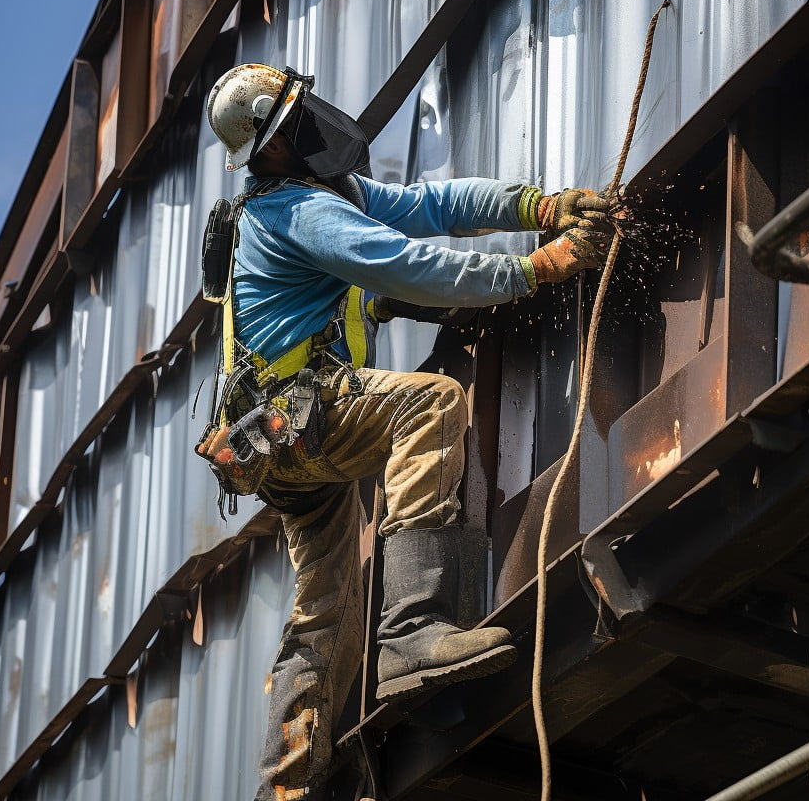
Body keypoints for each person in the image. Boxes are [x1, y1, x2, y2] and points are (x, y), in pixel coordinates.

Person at [202, 63, 621, 801]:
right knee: (428, 403)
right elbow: (407, 264)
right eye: (297, 122)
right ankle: (412, 633)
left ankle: (289, 786)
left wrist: (540, 205)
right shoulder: (299, 212)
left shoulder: (328, 196)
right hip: (298, 421)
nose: (317, 127)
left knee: (324, 604)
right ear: (270, 150)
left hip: (272, 447)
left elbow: (435, 206)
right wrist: (539, 267)